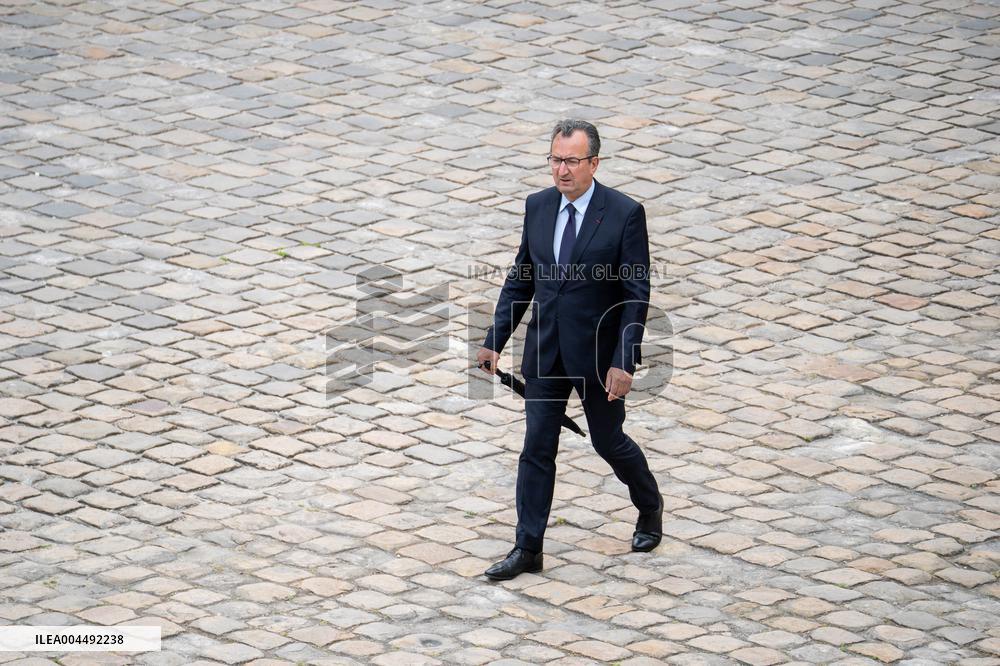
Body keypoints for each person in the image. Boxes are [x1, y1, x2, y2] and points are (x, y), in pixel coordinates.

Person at [476, 119, 663, 581]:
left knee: (608, 441)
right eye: (556, 160)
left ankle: (649, 504)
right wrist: (494, 340)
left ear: (594, 163)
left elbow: (635, 295)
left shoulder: (624, 213)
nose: (562, 171)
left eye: (571, 161)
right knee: (536, 447)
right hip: (545, 351)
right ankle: (528, 547)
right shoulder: (538, 206)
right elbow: (522, 277)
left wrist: (624, 360)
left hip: (599, 358)